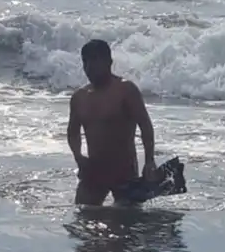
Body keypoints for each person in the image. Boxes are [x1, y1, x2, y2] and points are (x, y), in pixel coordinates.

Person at [67, 39, 157, 205]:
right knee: (81, 219)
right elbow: (73, 132)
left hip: (124, 173)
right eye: (85, 61)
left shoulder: (125, 90)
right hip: (94, 172)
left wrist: (149, 161)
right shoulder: (79, 97)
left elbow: (145, 126)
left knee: (126, 223)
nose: (89, 66)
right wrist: (79, 158)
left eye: (95, 59)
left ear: (109, 62)